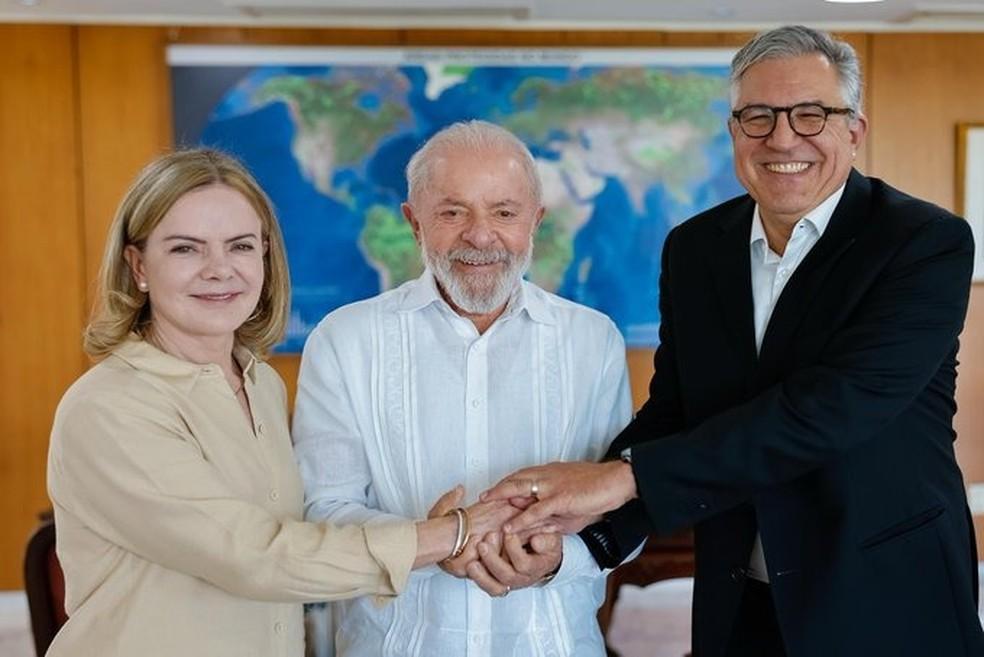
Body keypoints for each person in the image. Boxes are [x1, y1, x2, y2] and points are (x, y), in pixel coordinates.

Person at [483, 25, 984, 657]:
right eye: (758, 116)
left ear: (854, 131)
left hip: (887, 596)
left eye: (811, 114)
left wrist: (626, 478)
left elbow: (831, 409)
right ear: (733, 132)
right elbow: (676, 410)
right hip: (738, 599)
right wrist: (587, 540)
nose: (782, 137)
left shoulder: (923, 243)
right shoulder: (694, 249)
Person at [46, 148, 516, 657]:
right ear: (138, 265)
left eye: (241, 246)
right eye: (186, 249)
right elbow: (256, 556)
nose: (219, 269)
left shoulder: (259, 383)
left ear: (265, 257)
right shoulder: (110, 408)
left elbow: (297, 539)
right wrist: (447, 535)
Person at [292, 120, 632, 656]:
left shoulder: (594, 341)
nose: (480, 235)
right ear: (414, 223)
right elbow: (323, 512)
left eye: (504, 212)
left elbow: (618, 510)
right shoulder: (344, 340)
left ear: (535, 222)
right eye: (453, 212)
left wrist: (559, 559)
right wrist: (429, 542)